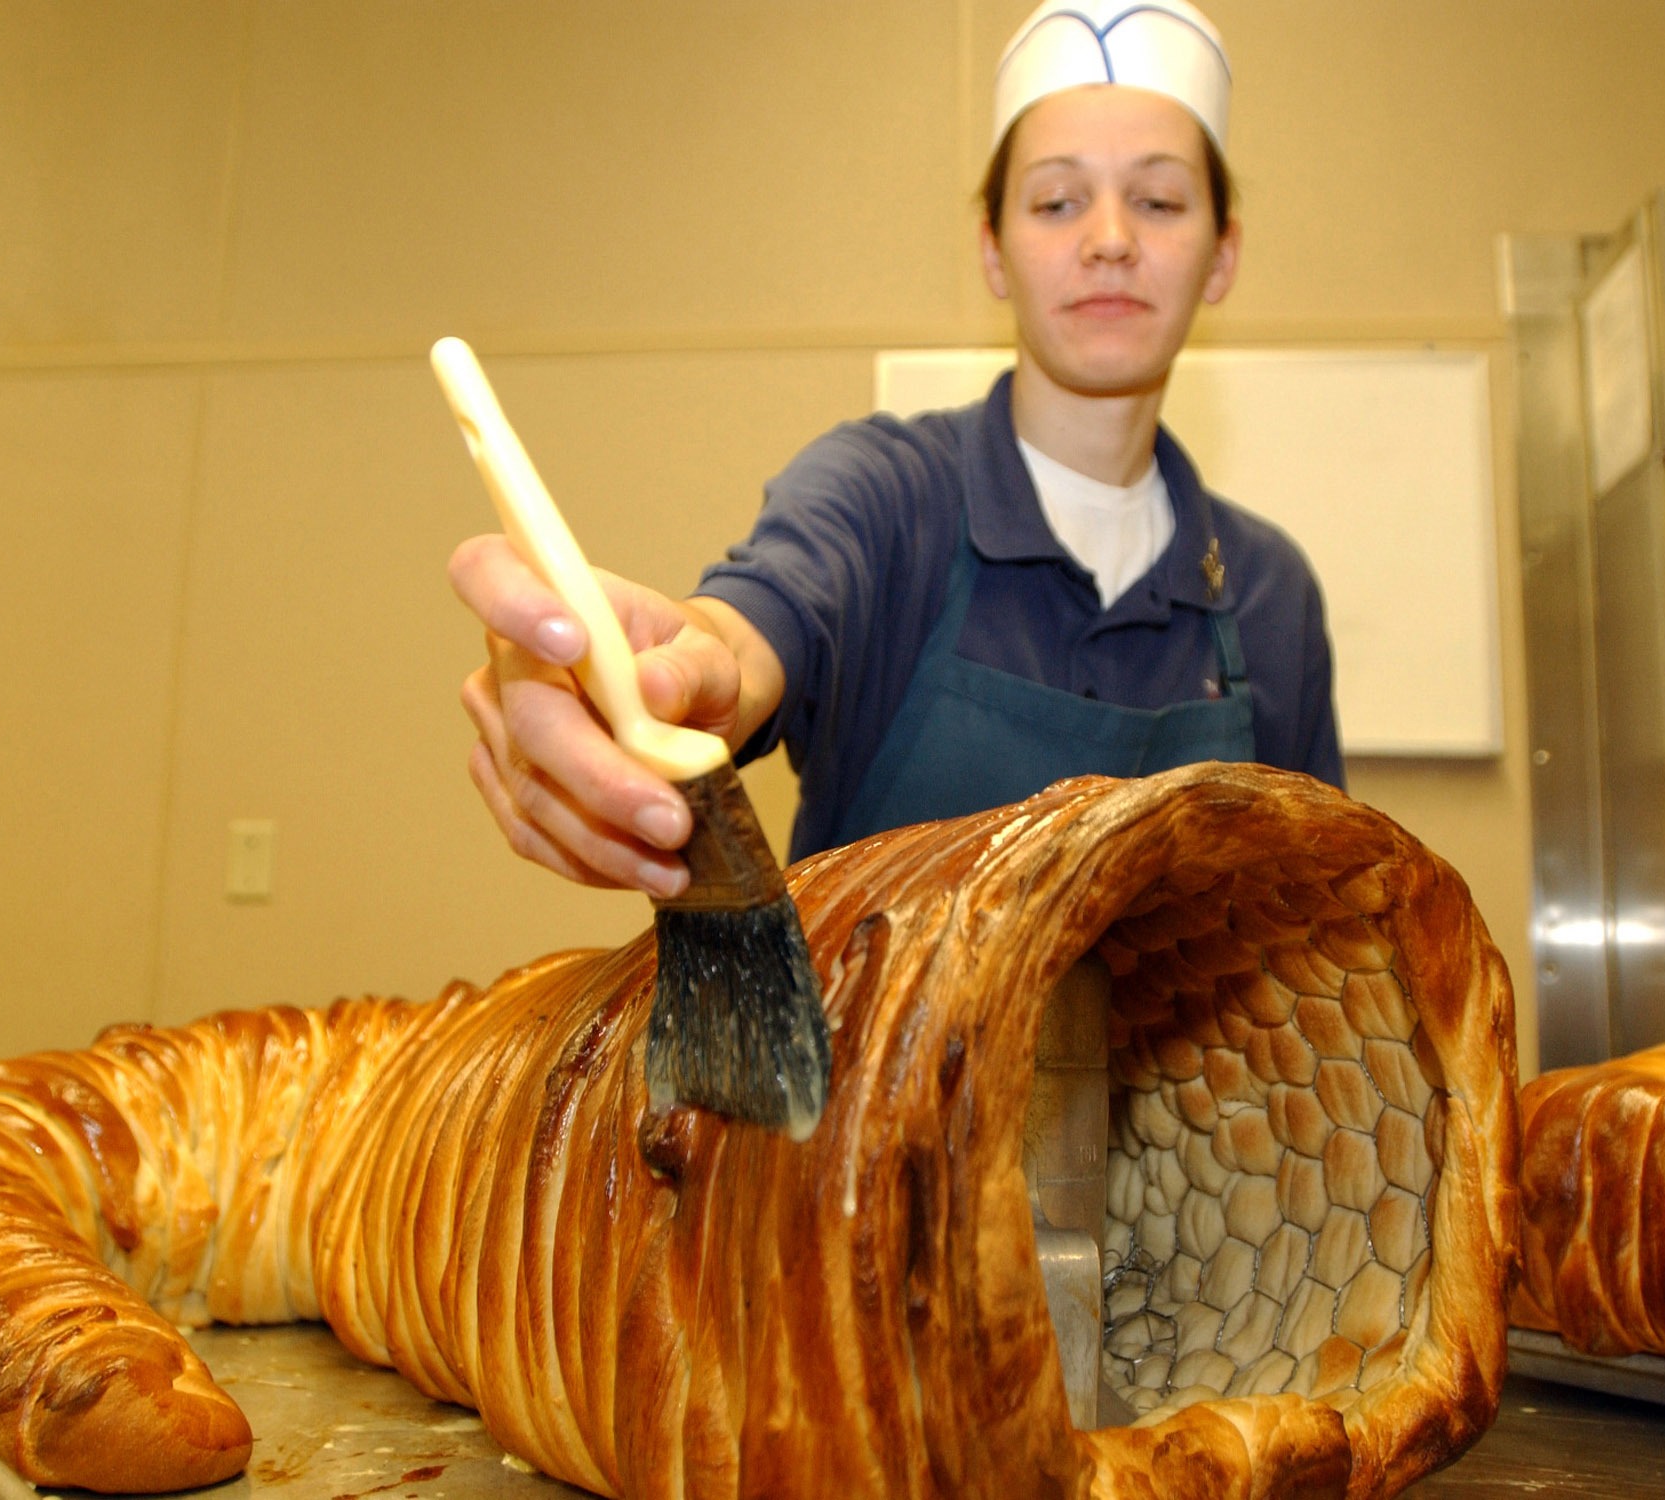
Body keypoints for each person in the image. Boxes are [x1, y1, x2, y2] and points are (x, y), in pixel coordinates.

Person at [448, 0, 1343, 900]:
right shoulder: (887, 501)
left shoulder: (1271, 595)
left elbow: (1321, 939)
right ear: (993, 250)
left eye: (1156, 200)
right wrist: (677, 673)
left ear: (1222, 254)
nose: (1109, 240)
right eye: (1057, 201)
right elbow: (748, 633)